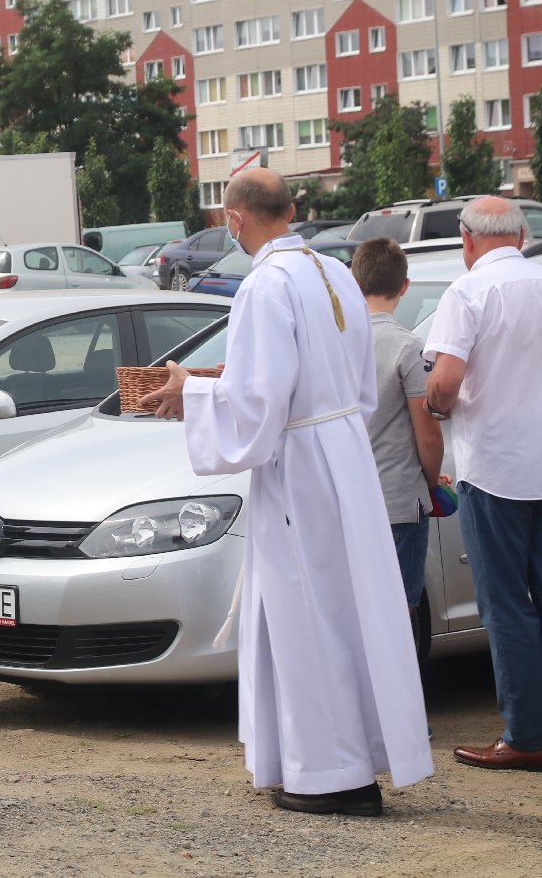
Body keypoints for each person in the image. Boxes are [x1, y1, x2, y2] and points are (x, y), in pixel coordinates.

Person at [140, 168, 432, 817]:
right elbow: (331, 380)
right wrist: (215, 382)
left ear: (234, 219)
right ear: (292, 210)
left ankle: (332, 776)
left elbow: (259, 403)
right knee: (345, 612)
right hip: (345, 455)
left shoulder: (265, 284)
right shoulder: (335, 273)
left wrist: (192, 392)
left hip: (301, 467)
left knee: (308, 616)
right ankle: (347, 761)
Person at [425, 198, 542, 776]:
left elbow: (444, 384)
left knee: (505, 604)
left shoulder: (468, 292)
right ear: (523, 236)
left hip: (497, 469)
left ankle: (528, 736)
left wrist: (439, 404)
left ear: (467, 239)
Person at [351, 238, 445, 616]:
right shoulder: (407, 347)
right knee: (400, 614)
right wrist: (432, 481)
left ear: (355, 281)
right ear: (404, 287)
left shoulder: (331, 344)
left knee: (359, 613)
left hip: (347, 503)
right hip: (398, 502)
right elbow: (428, 435)